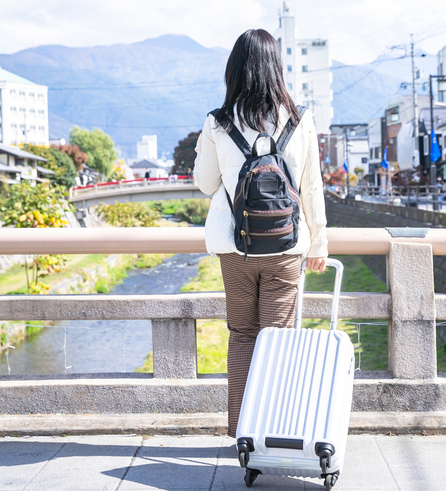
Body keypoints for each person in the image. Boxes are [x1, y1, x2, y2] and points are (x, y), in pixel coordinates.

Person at [193, 28, 328, 439]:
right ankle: (277, 430)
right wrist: (318, 242)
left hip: (236, 248)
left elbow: (204, 182)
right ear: (277, 68)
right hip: (287, 247)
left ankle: (242, 432)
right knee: (279, 339)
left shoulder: (218, 122)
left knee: (243, 336)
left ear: (234, 70)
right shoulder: (301, 118)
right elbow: (312, 187)